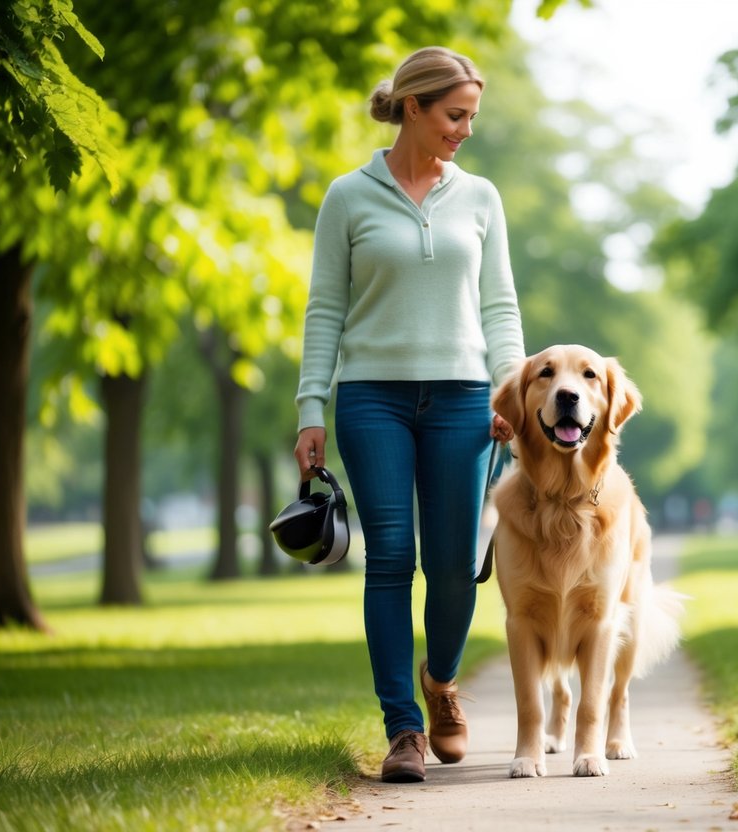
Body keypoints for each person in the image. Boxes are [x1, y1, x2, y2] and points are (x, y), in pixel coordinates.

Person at [292, 45, 524, 783]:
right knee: (390, 558)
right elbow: (324, 309)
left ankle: (442, 679)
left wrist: (509, 390)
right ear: (413, 108)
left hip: (463, 398)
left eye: (472, 118)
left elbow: (499, 307)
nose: (464, 130)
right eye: (454, 115)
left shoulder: (480, 197)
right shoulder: (347, 196)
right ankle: (403, 729)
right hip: (373, 399)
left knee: (454, 566)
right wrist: (310, 408)